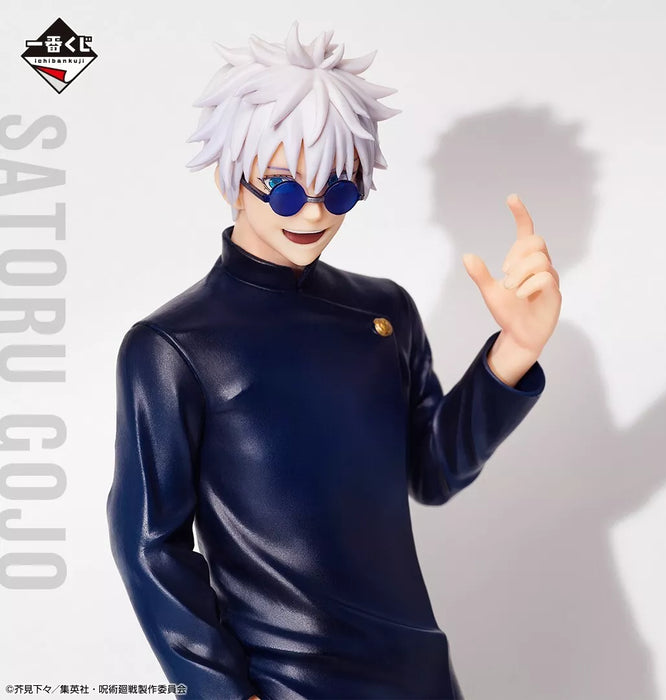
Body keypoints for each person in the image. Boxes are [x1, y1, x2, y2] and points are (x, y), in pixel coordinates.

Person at [106, 22, 561, 700]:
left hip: (421, 673)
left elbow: (432, 471)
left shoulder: (384, 311)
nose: (314, 212)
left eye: (339, 189)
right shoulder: (172, 345)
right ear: (232, 181)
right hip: (285, 682)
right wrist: (222, 693)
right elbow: (150, 546)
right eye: (286, 190)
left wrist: (515, 351)